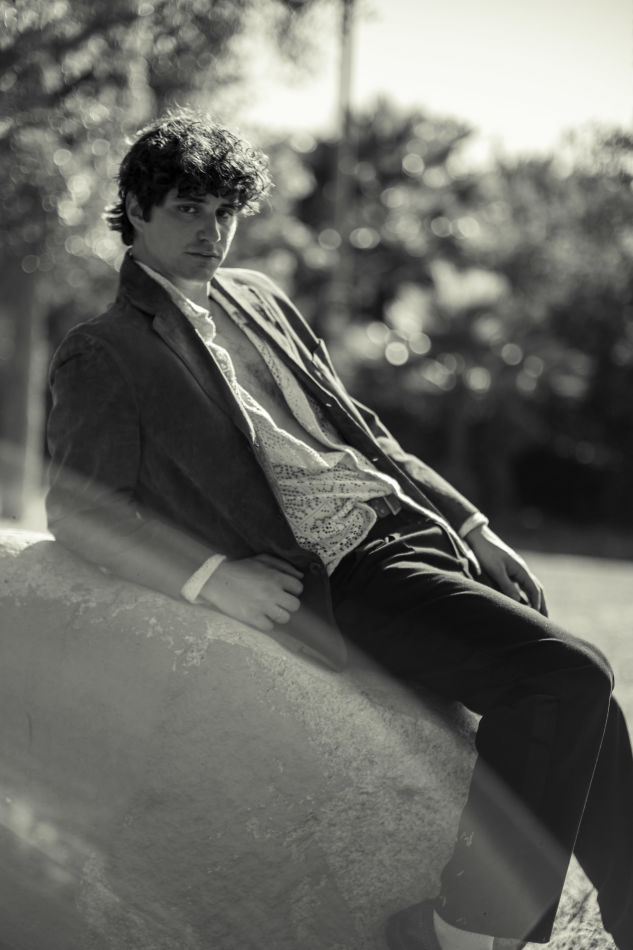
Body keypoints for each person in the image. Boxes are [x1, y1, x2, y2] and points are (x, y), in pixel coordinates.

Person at [46, 109, 633, 950]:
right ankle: (461, 931)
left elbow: (362, 430)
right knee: (565, 675)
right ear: (135, 210)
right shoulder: (103, 350)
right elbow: (79, 508)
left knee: (584, 695)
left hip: (409, 533)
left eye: (225, 211)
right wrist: (211, 578)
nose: (212, 232)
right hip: (342, 572)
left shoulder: (259, 296)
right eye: (187, 210)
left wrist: (470, 523)